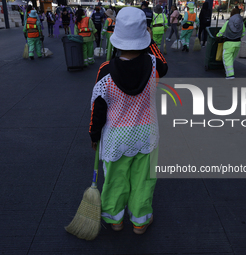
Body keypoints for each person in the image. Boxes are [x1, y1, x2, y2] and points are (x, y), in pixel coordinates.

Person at [89, 6, 168, 234]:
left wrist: (94, 135)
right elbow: (163, 62)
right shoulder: (154, 66)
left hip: (116, 136)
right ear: (144, 36)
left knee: (115, 179)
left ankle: (115, 219)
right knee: (143, 180)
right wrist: (150, 41)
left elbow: (98, 109)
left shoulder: (105, 71)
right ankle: (140, 222)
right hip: (147, 133)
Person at [216, 8, 245, 79]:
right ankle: (228, 72)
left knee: (227, 59)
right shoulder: (241, 23)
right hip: (238, 43)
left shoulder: (228, 22)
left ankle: (230, 75)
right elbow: (243, 33)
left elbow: (221, 32)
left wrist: (217, 36)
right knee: (232, 58)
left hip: (228, 43)